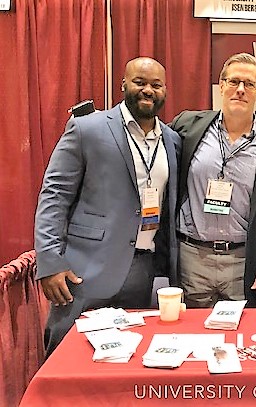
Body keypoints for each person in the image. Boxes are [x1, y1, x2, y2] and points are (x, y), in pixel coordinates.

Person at [35, 57, 181, 356]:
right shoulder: (87, 128)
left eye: (156, 85)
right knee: (69, 362)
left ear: (165, 90)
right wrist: (50, 261)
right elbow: (55, 194)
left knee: (129, 363)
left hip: (143, 272)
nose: (148, 90)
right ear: (123, 85)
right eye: (140, 82)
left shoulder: (172, 140)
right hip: (85, 271)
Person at [169, 53, 256, 308]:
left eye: (249, 84)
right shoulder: (188, 127)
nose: (240, 90)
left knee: (242, 330)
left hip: (242, 262)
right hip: (192, 258)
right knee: (192, 329)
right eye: (234, 81)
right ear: (221, 85)